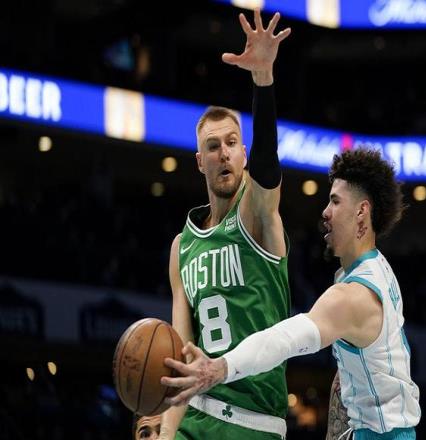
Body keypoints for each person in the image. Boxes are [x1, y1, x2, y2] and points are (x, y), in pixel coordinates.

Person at [162, 148, 422, 440]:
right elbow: (353, 372)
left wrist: (220, 368)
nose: (325, 211)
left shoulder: (353, 296)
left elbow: (284, 339)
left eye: (335, 201)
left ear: (361, 211)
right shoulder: (378, 270)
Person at [159, 9, 292, 440]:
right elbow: (183, 356)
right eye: (213, 146)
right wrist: (166, 432)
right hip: (196, 415)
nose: (224, 153)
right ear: (200, 161)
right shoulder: (182, 247)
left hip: (252, 423)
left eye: (233, 143)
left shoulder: (257, 215)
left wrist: (263, 80)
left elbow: (269, 169)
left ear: (244, 154)